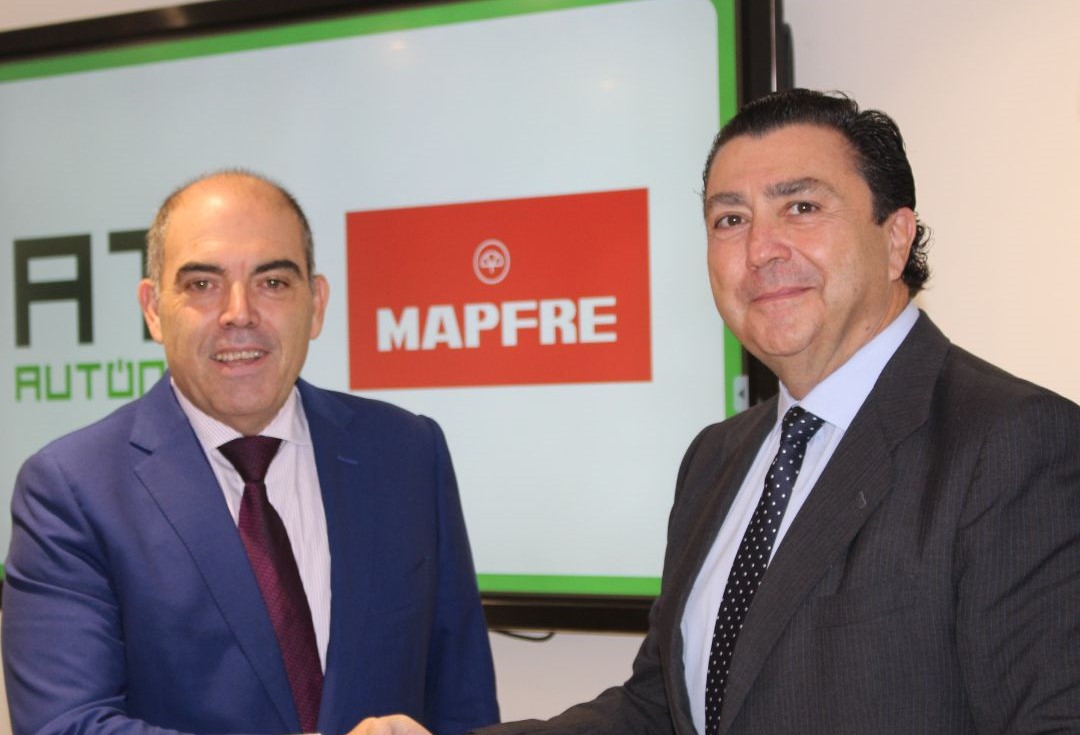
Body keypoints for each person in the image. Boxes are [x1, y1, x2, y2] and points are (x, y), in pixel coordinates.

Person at [359, 89, 1080, 735]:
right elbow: (656, 711)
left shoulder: (1013, 442)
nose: (761, 249)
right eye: (730, 219)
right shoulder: (717, 456)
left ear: (895, 238)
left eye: (801, 207)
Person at [2, 170, 499, 735]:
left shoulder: (407, 452)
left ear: (316, 304)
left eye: (273, 282)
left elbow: (463, 704)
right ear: (152, 309)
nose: (239, 313)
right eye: (202, 284)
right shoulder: (71, 489)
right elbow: (65, 725)